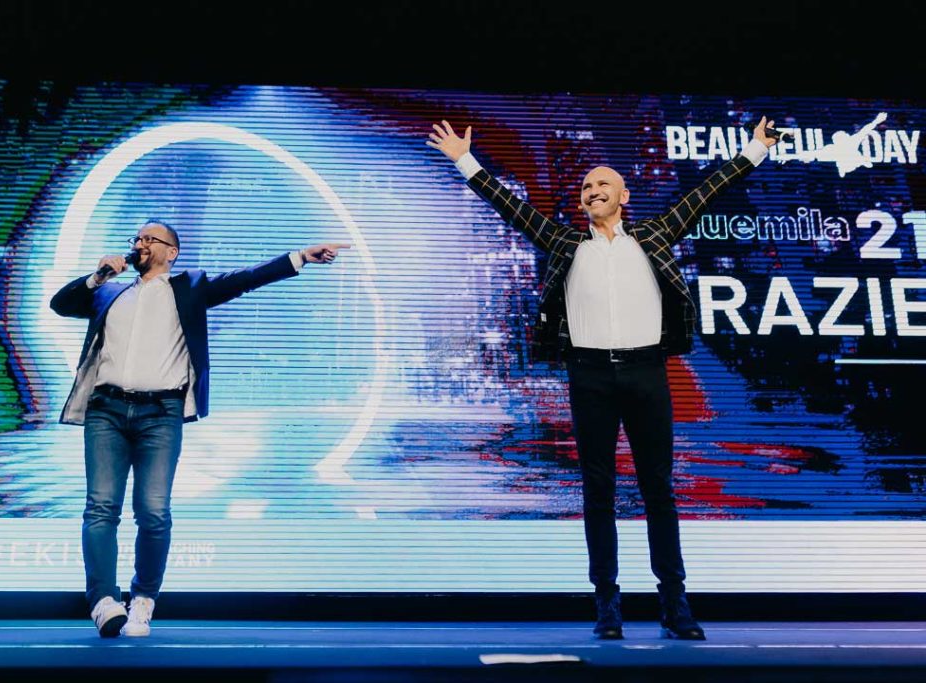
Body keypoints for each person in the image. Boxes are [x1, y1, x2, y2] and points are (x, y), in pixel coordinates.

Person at [428, 117, 779, 639]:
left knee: (659, 488)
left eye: (602, 185)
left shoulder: (655, 234)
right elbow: (510, 205)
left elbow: (706, 192)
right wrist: (464, 158)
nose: (592, 190)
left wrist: (753, 151)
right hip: (589, 374)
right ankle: (607, 604)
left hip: (645, 370)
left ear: (624, 196)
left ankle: (674, 601)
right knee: (598, 491)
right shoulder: (568, 244)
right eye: (587, 186)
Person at [51, 219, 348, 637]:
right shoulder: (110, 290)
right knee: (101, 508)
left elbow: (246, 280)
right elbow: (61, 305)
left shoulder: (189, 287)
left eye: (150, 239)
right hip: (107, 410)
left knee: (153, 512)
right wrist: (98, 274)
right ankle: (103, 600)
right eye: (137, 238)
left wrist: (300, 257)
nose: (140, 244)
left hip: (161, 413)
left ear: (171, 252)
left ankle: (142, 600)